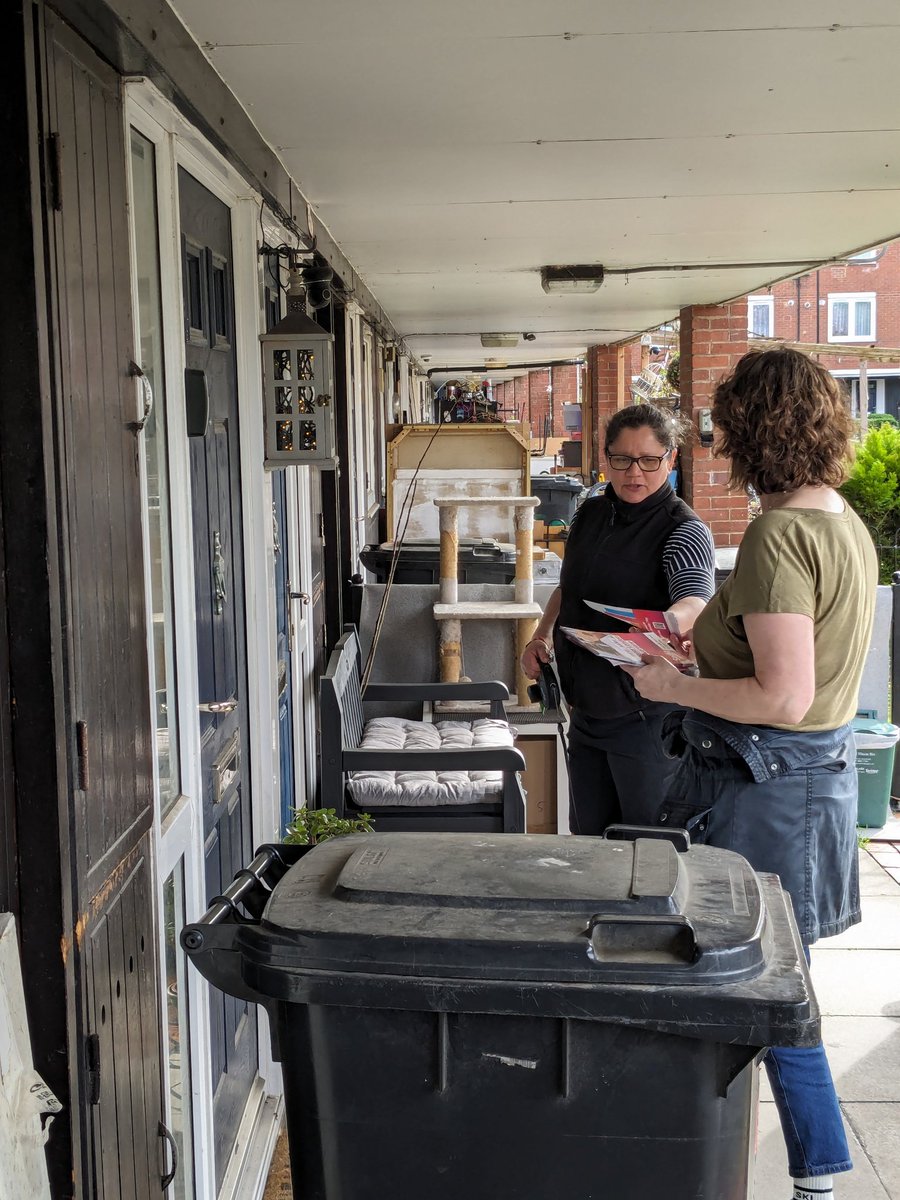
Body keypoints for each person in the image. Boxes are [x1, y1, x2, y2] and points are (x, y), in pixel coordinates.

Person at [623, 348, 877, 1200]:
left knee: (762, 987)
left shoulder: (778, 533)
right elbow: (796, 668)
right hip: (809, 781)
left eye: (727, 424)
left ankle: (813, 1177)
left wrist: (670, 684)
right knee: (773, 980)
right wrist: (706, 641)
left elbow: (784, 694)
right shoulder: (840, 519)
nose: (718, 440)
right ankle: (800, 1170)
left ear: (758, 431)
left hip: (766, 785)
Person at [520, 403, 715, 833]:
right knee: (590, 839)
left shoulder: (683, 529)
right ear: (605, 458)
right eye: (622, 460)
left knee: (648, 845)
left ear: (671, 457)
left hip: (648, 721)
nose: (634, 474)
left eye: (649, 461)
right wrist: (542, 637)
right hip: (585, 713)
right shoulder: (590, 513)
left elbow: (695, 602)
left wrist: (660, 623)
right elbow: (569, 589)